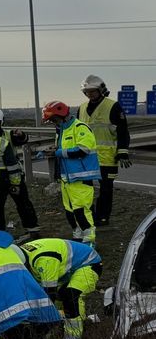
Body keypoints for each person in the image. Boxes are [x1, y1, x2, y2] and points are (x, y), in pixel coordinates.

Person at [18, 237, 102, 339]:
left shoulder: (44, 260)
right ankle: (63, 326)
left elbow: (48, 295)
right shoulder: (20, 254)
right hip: (67, 268)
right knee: (58, 301)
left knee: (71, 296)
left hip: (89, 263)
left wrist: (38, 326)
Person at [44, 100, 101, 243]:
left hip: (81, 178)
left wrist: (57, 153)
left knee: (81, 210)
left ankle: (89, 240)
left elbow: (83, 150)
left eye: (53, 119)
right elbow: (63, 149)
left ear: (62, 115)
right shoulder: (61, 130)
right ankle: (78, 236)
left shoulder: (80, 127)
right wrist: (53, 150)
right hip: (67, 178)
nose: (53, 122)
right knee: (70, 211)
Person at [78, 75, 130, 226]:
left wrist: (123, 152)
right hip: (86, 157)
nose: (90, 94)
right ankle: (90, 216)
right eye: (87, 92)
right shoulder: (81, 108)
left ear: (101, 90)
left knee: (106, 189)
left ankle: (102, 217)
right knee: (85, 189)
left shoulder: (113, 106)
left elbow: (123, 131)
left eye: (93, 91)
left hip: (107, 157)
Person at [5, 129, 41, 241]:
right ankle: (32, 229)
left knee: (22, 202)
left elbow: (22, 140)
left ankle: (32, 230)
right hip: (8, 175)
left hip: (6, 175)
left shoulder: (7, 134)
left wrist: (21, 135)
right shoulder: (4, 134)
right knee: (22, 202)